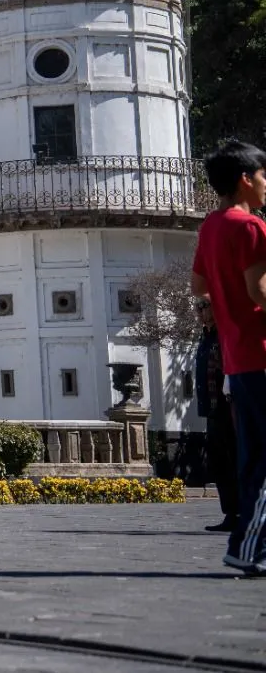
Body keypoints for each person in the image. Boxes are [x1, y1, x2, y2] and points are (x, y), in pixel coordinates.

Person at [190, 139, 266, 574]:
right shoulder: (251, 227)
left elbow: (198, 285)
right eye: (262, 176)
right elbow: (259, 290)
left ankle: (249, 541)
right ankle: (250, 545)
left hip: (238, 357)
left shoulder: (211, 226)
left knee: (253, 454)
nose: (265, 184)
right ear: (244, 180)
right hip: (260, 348)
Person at [195, 301, 238, 532]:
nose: (202, 313)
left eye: (206, 307)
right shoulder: (205, 337)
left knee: (234, 459)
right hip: (211, 410)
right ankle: (230, 512)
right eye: (199, 309)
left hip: (228, 407)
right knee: (220, 462)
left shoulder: (224, 335)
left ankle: (243, 512)